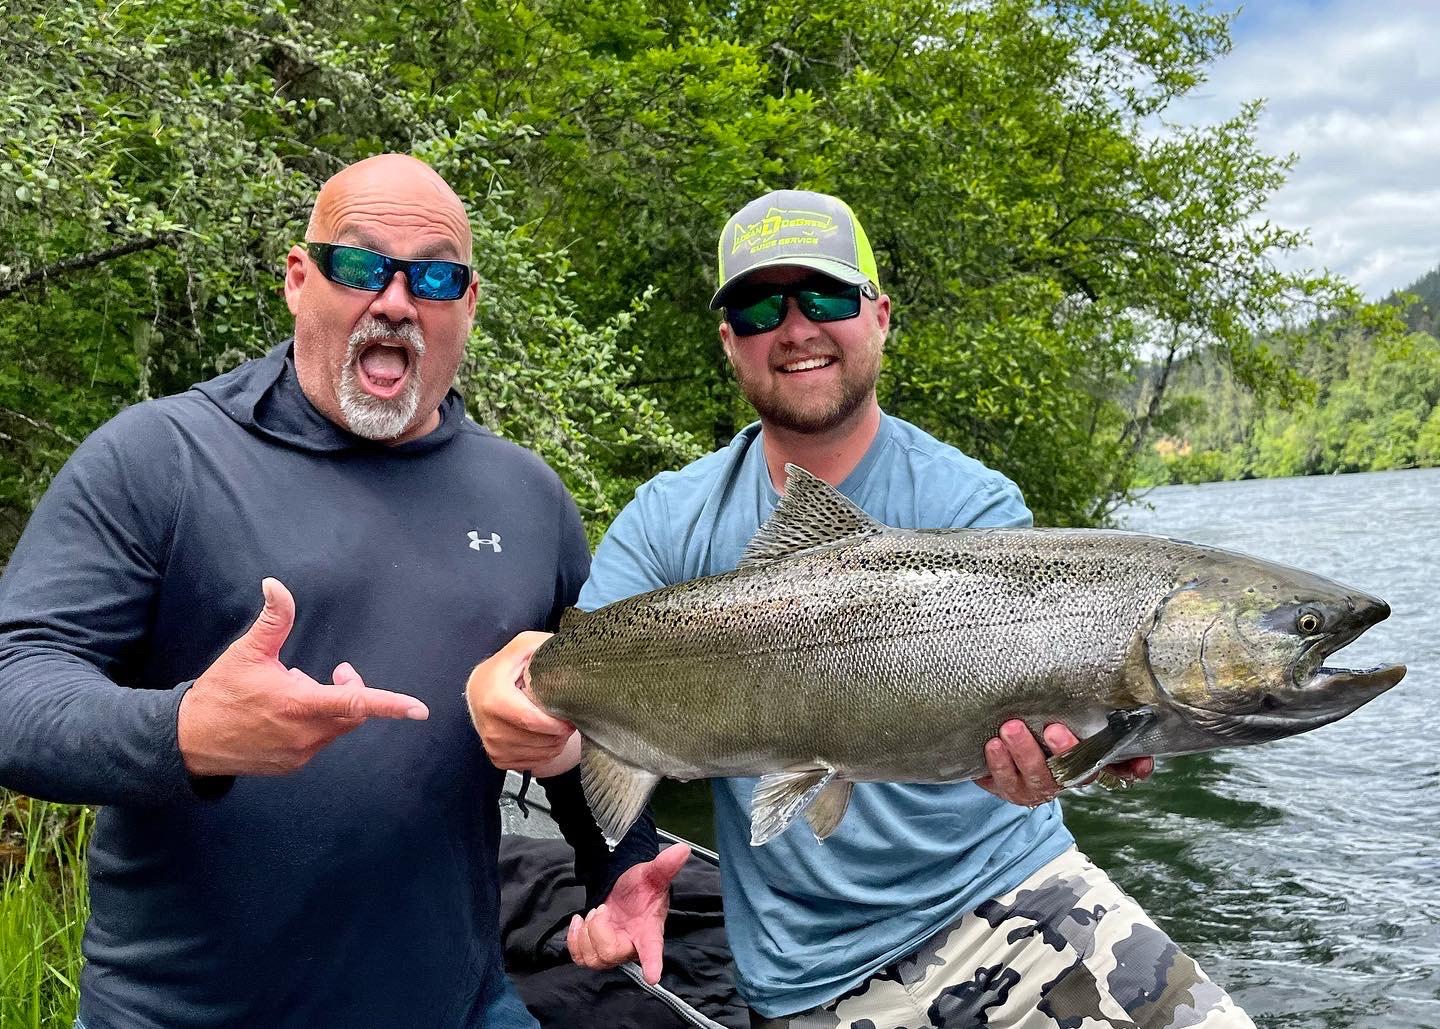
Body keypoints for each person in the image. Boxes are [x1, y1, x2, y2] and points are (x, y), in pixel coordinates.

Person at [469, 190, 1257, 1028]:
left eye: (828, 297)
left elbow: (1042, 735)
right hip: (809, 974)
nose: (797, 326)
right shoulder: (669, 519)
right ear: (731, 340)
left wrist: (1070, 761)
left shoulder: (974, 503)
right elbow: (566, 700)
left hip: (1021, 899)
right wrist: (505, 699)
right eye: (761, 304)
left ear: (879, 316)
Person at [0, 153, 686, 1029]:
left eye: (435, 276)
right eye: (360, 265)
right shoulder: (162, 459)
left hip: (461, 1006)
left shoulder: (528, 498)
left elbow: (590, 724)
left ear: (467, 306)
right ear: (298, 279)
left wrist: (619, 870)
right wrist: (189, 731)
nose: (396, 300)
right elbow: (14, 685)